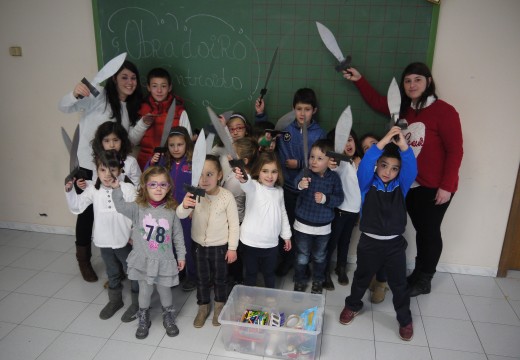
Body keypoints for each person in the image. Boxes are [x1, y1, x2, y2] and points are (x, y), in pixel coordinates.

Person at [343, 63, 464, 296]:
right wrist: (359, 80)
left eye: (417, 80)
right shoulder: (405, 110)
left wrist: (446, 186)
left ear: (428, 82)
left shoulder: (445, 112)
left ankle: (424, 278)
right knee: (419, 230)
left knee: (429, 231)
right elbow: (379, 102)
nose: (412, 85)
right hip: (408, 184)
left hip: (434, 187)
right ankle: (416, 275)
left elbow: (455, 151)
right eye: (408, 81)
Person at [59, 60, 148, 282]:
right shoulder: (98, 97)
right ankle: (84, 260)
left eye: (133, 78)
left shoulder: (128, 108)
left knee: (112, 211)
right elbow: (64, 107)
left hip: (113, 170)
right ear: (114, 79)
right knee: (87, 213)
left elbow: (126, 141)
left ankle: (116, 261)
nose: (130, 82)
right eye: (124, 77)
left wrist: (143, 125)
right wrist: (75, 94)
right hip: (88, 168)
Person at [339, 126, 417, 341]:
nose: (388, 172)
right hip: (369, 243)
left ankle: (405, 320)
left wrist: (402, 144)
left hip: (394, 245)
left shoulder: (401, 186)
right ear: (376, 165)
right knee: (361, 279)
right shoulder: (366, 183)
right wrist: (382, 141)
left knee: (399, 285)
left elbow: (410, 167)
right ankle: (352, 305)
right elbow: (364, 166)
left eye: (394, 168)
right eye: (384, 166)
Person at [111, 166, 186, 339]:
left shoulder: (171, 211)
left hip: (164, 261)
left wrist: (181, 256)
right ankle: (143, 315)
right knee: (145, 291)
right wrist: (116, 189)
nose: (158, 188)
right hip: (144, 260)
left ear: (168, 187)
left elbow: (178, 236)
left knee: (165, 291)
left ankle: (168, 314)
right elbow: (120, 206)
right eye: (153, 184)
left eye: (162, 184)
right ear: (145, 186)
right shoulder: (138, 208)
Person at [64, 150, 139, 322]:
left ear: (119, 170)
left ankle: (138, 303)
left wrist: (134, 235)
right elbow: (78, 206)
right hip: (104, 240)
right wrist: (70, 191)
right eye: (103, 170)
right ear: (97, 170)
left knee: (133, 271)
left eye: (112, 169)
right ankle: (115, 301)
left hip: (123, 239)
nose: (107, 174)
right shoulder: (93, 190)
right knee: (112, 271)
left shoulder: (127, 189)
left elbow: (137, 214)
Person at [176, 155, 239, 328]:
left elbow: (234, 225)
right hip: (198, 246)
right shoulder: (194, 193)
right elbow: (180, 214)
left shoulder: (227, 197)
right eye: (201, 175)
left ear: (219, 175)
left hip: (220, 247)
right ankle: (203, 307)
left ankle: (220, 305)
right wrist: (185, 205)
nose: (204, 180)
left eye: (209, 174)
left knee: (220, 278)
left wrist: (232, 248)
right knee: (202, 278)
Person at [270, 89, 328, 277]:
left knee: (303, 229)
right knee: (285, 226)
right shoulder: (285, 129)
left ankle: (301, 263)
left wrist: (300, 164)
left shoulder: (319, 133)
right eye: (299, 109)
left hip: (308, 190)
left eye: (307, 109)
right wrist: (261, 116)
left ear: (315, 110)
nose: (303, 113)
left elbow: (322, 160)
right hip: (286, 187)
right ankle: (286, 260)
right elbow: (268, 139)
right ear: (293, 109)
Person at [146, 126, 196, 292]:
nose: (175, 148)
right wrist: (151, 162)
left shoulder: (193, 163)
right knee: (171, 244)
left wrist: (194, 209)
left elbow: (198, 187)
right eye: (172, 145)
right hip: (167, 211)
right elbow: (149, 177)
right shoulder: (162, 162)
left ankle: (192, 276)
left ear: (186, 145)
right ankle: (178, 273)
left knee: (187, 245)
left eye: (180, 144)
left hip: (187, 211)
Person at [233, 151, 292, 288]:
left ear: (279, 174)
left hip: (271, 244)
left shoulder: (279, 191)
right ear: (258, 171)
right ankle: (249, 298)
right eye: (265, 171)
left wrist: (287, 236)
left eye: (274, 171)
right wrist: (242, 177)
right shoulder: (254, 186)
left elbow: (282, 213)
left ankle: (270, 298)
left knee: (269, 273)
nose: (270, 176)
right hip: (250, 242)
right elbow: (246, 183)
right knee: (251, 273)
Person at [293, 139, 344, 294]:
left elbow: (339, 198)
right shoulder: (305, 173)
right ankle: (300, 280)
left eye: (320, 158)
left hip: (323, 228)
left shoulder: (334, 178)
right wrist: (300, 185)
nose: (314, 161)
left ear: (330, 162)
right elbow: (296, 186)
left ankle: (318, 281)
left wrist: (325, 199)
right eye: (312, 157)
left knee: (320, 257)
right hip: (302, 225)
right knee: (302, 256)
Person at [323, 129, 362, 291]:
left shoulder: (358, 162)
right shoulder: (342, 163)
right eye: (343, 141)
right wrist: (332, 163)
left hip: (354, 212)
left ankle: (341, 268)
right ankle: (324, 272)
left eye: (350, 139)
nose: (348, 144)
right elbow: (334, 167)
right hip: (340, 211)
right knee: (332, 242)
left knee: (345, 242)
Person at [222, 137, 259, 286]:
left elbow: (224, 198)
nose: (228, 157)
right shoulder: (237, 174)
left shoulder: (237, 181)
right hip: (236, 220)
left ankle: (235, 280)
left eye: (232, 154)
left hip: (235, 222)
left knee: (233, 254)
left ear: (244, 161)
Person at [137, 67, 191, 169]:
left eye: (163, 86)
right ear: (148, 87)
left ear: (169, 87)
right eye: (154, 86)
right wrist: (143, 123)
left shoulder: (179, 111)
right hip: (145, 164)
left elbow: (187, 142)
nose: (159, 90)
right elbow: (132, 141)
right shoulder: (141, 109)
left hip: (171, 165)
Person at [358, 132, 390, 303]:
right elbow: (368, 163)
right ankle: (372, 279)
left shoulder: (393, 172)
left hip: (390, 230)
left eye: (374, 143)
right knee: (369, 257)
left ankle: (381, 283)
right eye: (366, 148)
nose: (371, 148)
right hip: (370, 228)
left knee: (385, 258)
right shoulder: (365, 174)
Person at [91, 121, 141, 186]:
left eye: (115, 140)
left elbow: (138, 186)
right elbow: (95, 184)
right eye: (107, 141)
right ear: (100, 143)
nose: (112, 145)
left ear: (122, 141)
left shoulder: (131, 161)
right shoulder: (98, 162)